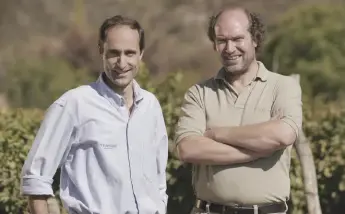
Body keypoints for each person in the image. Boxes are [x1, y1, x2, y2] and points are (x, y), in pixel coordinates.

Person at [21, 15, 168, 214]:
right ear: (101, 51)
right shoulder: (74, 104)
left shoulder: (151, 106)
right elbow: (36, 180)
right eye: (114, 53)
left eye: (130, 53)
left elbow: (159, 181)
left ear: (141, 54)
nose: (122, 62)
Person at [174, 6, 302, 214]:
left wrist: (215, 134)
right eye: (222, 40)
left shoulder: (283, 87)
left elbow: (283, 135)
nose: (229, 48)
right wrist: (255, 152)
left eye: (237, 39)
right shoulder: (199, 93)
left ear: (255, 39)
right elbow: (188, 148)